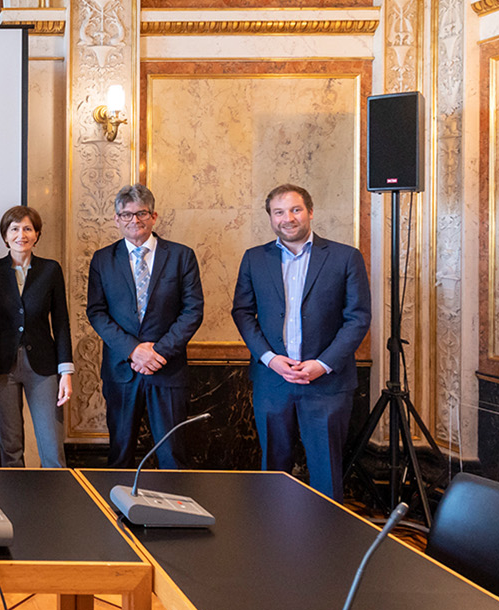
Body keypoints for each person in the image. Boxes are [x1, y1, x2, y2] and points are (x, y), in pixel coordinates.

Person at [231, 183, 371, 500]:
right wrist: (269, 358)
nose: (288, 218)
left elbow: (358, 317)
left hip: (327, 384)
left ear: (310, 212)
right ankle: (274, 540)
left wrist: (322, 364)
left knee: (326, 473)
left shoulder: (345, 257)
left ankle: (328, 543)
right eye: (279, 212)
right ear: (270, 218)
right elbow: (242, 312)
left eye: (295, 210)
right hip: (273, 381)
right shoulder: (254, 259)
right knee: (273, 471)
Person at [86, 184, 204, 469]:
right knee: (120, 453)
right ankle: (116, 514)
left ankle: (176, 513)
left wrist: (158, 352)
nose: (134, 221)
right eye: (126, 215)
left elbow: (193, 311)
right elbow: (97, 312)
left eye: (141, 213)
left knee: (172, 456)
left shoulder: (181, 256)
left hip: (168, 369)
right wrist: (134, 350)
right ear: (116, 219)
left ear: (154, 216)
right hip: (122, 371)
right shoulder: (103, 259)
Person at [0, 205, 73, 468]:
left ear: (37, 234)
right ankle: (16, 505)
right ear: (5, 235)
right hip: (1, 367)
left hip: (43, 366)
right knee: (10, 449)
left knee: (52, 449)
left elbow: (62, 322)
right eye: (15, 229)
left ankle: (55, 506)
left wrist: (66, 372)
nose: (22, 234)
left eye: (28, 229)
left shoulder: (50, 270)